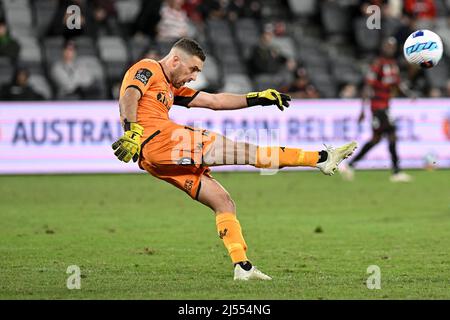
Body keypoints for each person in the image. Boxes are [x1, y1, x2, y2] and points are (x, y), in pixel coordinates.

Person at [111, 38, 357, 280]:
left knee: (223, 202)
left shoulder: (171, 87)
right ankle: (322, 158)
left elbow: (215, 101)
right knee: (246, 152)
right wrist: (132, 131)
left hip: (155, 159)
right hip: (163, 140)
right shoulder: (148, 68)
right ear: (175, 60)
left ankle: (243, 267)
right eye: (193, 69)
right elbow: (130, 95)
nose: (194, 76)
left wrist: (257, 98)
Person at [340, 37, 414, 183]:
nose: (390, 48)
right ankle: (396, 172)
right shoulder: (378, 64)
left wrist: (409, 94)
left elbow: (397, 85)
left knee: (376, 139)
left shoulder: (393, 65)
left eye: (392, 46)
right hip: (377, 107)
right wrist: (362, 110)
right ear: (382, 47)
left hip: (385, 106)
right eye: (387, 45)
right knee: (392, 135)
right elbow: (368, 87)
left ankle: (349, 165)